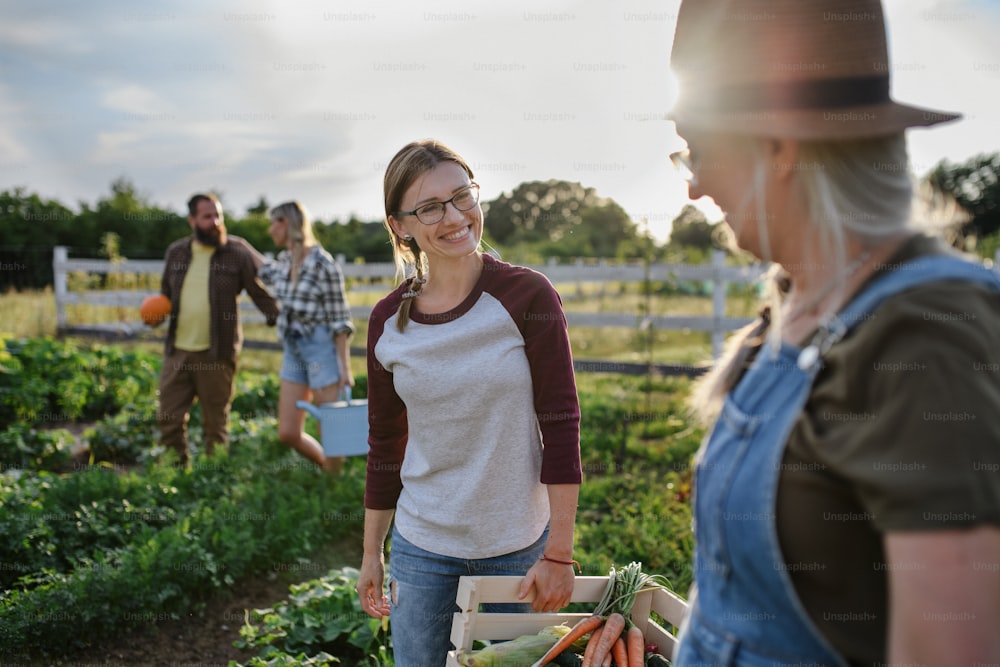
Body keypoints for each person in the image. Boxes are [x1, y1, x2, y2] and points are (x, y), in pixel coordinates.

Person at [667, 1, 1000, 665]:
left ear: (780, 145)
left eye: (697, 150)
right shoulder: (794, 303)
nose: (694, 187)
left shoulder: (924, 333)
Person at [355, 140, 583, 665]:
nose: (455, 217)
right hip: (421, 547)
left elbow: (562, 424)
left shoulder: (529, 296)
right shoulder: (387, 322)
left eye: (462, 196)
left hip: (518, 545)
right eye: (430, 207)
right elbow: (385, 443)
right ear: (400, 226)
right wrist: (372, 552)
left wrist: (559, 553)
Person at [157, 192, 279, 468]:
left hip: (217, 353)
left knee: (216, 424)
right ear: (192, 220)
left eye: (218, 215)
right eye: (207, 216)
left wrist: (283, 319)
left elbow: (258, 293)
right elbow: (164, 295)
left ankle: (214, 480)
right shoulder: (176, 252)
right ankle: (174, 478)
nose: (215, 222)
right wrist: (153, 315)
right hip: (177, 351)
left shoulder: (235, 254)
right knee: (169, 419)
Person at [247, 200, 355, 472]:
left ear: (288, 224)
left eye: (274, 222)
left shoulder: (323, 264)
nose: (271, 229)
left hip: (321, 350)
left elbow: (339, 320)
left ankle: (333, 488)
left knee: (331, 433)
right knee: (288, 433)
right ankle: (325, 467)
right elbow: (264, 268)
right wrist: (239, 244)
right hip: (293, 350)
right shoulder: (284, 263)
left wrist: (344, 368)